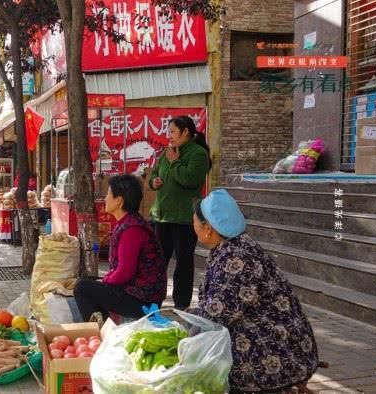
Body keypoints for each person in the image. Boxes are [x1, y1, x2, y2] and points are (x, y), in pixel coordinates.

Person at [191, 189, 319, 393]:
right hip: (276, 334)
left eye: (195, 223)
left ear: (208, 229)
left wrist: (187, 335)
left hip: (275, 345)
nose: (193, 227)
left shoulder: (237, 258)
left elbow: (220, 315)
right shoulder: (230, 246)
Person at [74, 175, 167, 325]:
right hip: (134, 291)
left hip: (143, 300)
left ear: (119, 200)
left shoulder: (133, 229)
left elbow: (125, 272)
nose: (105, 198)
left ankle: (102, 333)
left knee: (82, 288)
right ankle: (106, 326)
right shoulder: (128, 222)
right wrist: (103, 281)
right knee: (86, 281)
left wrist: (105, 280)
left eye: (108, 194)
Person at [149, 115, 211, 310]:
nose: (170, 136)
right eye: (169, 132)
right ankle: (153, 299)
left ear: (186, 132)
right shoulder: (167, 152)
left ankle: (181, 304)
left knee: (183, 263)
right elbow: (154, 172)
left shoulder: (198, 154)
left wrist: (175, 163)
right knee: (159, 262)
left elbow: (190, 179)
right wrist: (154, 181)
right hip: (162, 215)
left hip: (184, 218)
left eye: (173, 132)